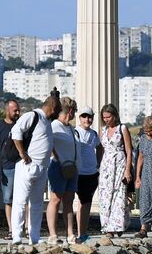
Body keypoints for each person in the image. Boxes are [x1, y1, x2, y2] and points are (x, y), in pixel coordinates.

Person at [9, 92, 59, 244]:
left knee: (37, 205)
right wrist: (22, 153)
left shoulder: (47, 121)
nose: (59, 113)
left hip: (42, 168)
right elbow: (16, 132)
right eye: (58, 110)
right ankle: (17, 236)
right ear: (53, 107)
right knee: (20, 201)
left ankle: (34, 237)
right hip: (27, 166)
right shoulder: (33, 116)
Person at [45, 97, 79, 243]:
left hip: (71, 168)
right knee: (55, 199)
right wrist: (58, 157)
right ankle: (53, 234)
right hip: (57, 166)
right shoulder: (54, 126)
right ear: (70, 111)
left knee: (69, 201)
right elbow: (48, 143)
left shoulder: (71, 129)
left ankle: (70, 233)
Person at [95, 104, 133, 236]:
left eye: (108, 117)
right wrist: (97, 165)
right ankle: (107, 227)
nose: (106, 120)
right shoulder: (103, 130)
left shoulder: (122, 128)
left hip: (120, 164)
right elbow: (101, 149)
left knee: (119, 195)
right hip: (106, 166)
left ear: (114, 115)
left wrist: (127, 170)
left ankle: (117, 226)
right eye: (104, 117)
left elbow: (129, 150)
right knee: (105, 196)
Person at [0, 98, 22, 227]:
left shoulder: (21, 125)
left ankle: (26, 227)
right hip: (7, 168)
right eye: (15, 110)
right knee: (8, 200)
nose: (17, 113)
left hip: (22, 166)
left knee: (24, 198)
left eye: (18, 110)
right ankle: (12, 229)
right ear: (7, 111)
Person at [73, 106, 100, 242]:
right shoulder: (75, 132)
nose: (87, 119)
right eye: (84, 116)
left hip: (92, 173)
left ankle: (82, 232)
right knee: (84, 203)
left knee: (85, 204)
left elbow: (100, 147)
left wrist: (99, 164)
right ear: (80, 118)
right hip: (80, 173)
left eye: (89, 117)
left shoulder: (94, 134)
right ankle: (81, 233)